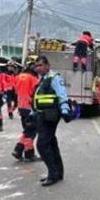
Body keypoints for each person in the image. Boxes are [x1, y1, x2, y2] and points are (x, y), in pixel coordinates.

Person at [32, 55, 72, 186]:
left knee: (42, 145)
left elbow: (62, 95)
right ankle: (58, 172)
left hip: (50, 116)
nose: (37, 68)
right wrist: (33, 113)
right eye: (36, 65)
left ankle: (53, 174)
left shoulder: (54, 78)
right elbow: (37, 98)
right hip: (42, 115)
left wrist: (65, 110)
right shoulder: (42, 80)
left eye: (40, 65)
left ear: (47, 66)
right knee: (51, 144)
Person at [12, 59, 40, 162]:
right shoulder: (33, 79)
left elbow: (14, 91)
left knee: (28, 130)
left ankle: (26, 153)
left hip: (21, 106)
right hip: (30, 107)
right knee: (30, 131)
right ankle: (21, 150)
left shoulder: (18, 77)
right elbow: (36, 93)